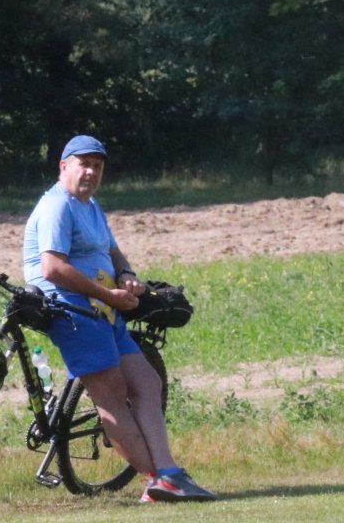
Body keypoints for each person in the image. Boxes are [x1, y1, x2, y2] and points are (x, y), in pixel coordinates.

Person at [22, 134, 215, 502]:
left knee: (146, 383)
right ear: (64, 166)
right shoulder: (56, 206)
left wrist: (126, 275)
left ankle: (168, 472)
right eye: (84, 164)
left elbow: (110, 251)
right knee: (110, 395)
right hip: (72, 308)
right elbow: (52, 268)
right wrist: (108, 295)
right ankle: (158, 479)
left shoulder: (89, 206)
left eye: (98, 166)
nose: (92, 171)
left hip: (102, 306)